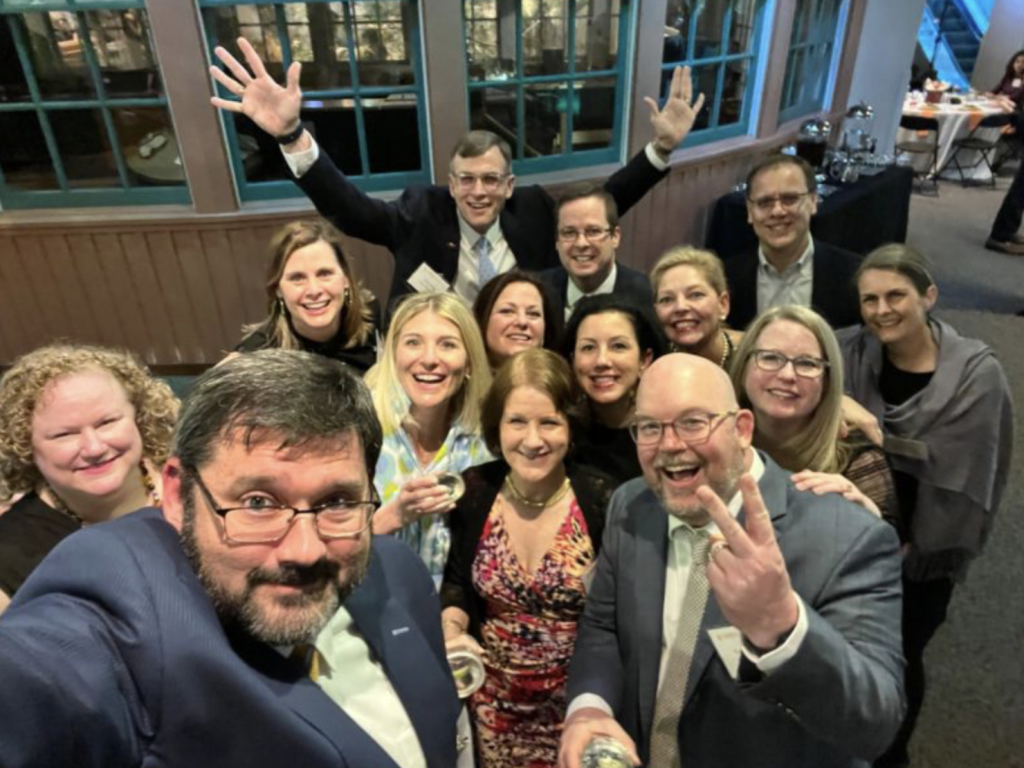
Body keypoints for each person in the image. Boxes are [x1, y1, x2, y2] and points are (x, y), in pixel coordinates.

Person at [0, 350, 460, 768]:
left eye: (337, 501)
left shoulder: (397, 570)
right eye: (258, 503)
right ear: (179, 494)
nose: (304, 550)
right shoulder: (127, 604)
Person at [559, 352, 905, 768]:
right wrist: (589, 707)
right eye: (650, 427)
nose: (669, 445)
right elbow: (602, 626)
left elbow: (875, 724)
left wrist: (785, 629)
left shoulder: (847, 537)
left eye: (693, 422)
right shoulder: (632, 505)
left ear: (742, 429)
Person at [209, 38, 705, 307]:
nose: (478, 190)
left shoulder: (533, 210)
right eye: (465, 179)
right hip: (434, 358)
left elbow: (607, 199)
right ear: (451, 182)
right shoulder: (420, 212)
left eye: (491, 179)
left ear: (508, 184)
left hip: (520, 353)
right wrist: (292, 135)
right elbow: (349, 209)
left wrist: (660, 149)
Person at [839, 244, 1014, 768]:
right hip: (853, 537)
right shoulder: (848, 356)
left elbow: (974, 477)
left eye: (897, 295)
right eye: (869, 299)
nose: (881, 310)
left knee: (900, 655)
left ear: (929, 296)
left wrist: (913, 546)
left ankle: (893, 754)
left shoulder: (975, 378)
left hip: (925, 552)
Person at [440, 348, 616, 768]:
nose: (533, 440)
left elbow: (618, 618)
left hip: (579, 713)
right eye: (517, 421)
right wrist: (451, 630)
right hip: (491, 709)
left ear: (571, 427)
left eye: (549, 422)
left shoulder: (602, 500)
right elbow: (458, 584)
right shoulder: (475, 490)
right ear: (497, 427)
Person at [0, 343, 177, 614]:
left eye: (107, 422)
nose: (94, 448)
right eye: (64, 435)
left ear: (140, 418)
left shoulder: (199, 480)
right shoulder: (9, 555)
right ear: (24, 447)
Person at [365, 292, 493, 583]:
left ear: (470, 362)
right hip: (366, 614)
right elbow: (324, 542)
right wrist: (393, 516)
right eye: (413, 343)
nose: (430, 359)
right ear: (392, 355)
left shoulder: (487, 444)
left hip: (453, 617)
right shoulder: (357, 430)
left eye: (448, 345)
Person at [730, 305, 895, 520]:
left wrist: (867, 518)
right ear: (743, 367)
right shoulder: (715, 444)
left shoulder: (860, 462)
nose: (787, 375)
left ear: (827, 381)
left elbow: (889, 548)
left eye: (807, 363)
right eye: (770, 358)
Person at [724, 154, 864, 330]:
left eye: (790, 199)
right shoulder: (725, 279)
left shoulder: (854, 275)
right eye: (764, 202)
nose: (777, 211)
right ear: (750, 212)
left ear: (813, 201)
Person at [234, 220, 379, 372]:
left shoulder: (370, 316)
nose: (314, 290)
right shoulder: (256, 354)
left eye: (324, 273)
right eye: (297, 278)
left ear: (346, 279)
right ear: (278, 289)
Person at [563, 294, 665, 484]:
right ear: (572, 360)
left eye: (618, 346)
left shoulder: (669, 433)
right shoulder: (563, 434)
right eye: (588, 348)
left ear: (644, 360)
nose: (602, 361)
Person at [539, 183, 654, 321]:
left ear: (615, 237)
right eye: (569, 233)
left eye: (593, 231)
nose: (581, 243)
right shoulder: (539, 292)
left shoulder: (647, 297)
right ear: (557, 241)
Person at [650, 246, 741, 368]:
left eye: (695, 295)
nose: (680, 307)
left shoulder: (753, 354)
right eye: (667, 299)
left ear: (723, 304)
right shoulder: (651, 363)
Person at [473, 270, 561, 370]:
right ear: (483, 320)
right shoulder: (459, 383)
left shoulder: (562, 384)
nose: (522, 322)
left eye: (533, 314)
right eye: (507, 311)